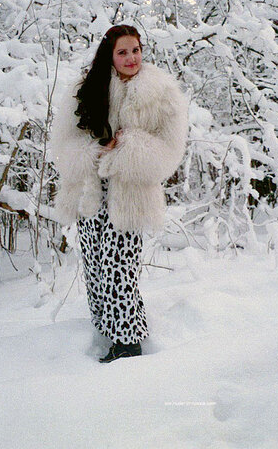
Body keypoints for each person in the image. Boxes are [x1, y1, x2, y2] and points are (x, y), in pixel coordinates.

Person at [51, 24, 188, 363]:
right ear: (109, 56)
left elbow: (170, 151)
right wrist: (99, 149)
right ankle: (109, 332)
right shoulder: (86, 88)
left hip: (129, 194)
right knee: (96, 267)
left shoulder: (161, 93)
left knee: (120, 268)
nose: (131, 58)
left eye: (136, 50)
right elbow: (64, 144)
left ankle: (128, 343)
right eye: (122, 52)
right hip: (90, 190)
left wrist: (127, 146)